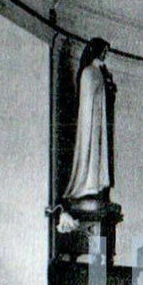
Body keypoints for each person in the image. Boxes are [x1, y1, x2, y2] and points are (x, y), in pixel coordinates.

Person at [63, 37, 116, 204]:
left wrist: (109, 90)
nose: (105, 55)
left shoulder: (100, 72)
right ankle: (88, 185)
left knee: (99, 153)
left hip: (100, 122)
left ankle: (97, 184)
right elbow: (87, 101)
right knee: (91, 150)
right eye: (104, 51)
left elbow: (105, 97)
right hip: (91, 122)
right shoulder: (88, 72)